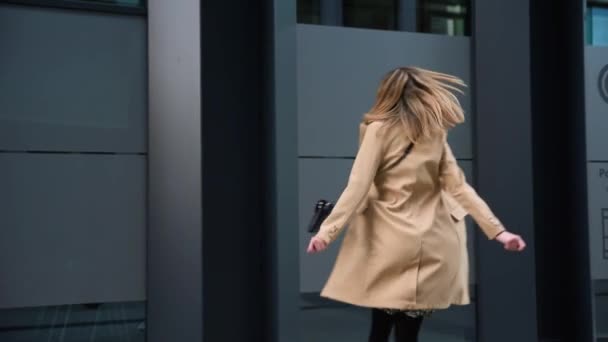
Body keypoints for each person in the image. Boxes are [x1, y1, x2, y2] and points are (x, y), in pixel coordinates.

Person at [306, 66, 526, 342]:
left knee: (381, 325)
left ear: (388, 94)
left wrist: (327, 232)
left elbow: (358, 186)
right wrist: (499, 232)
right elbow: (459, 187)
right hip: (433, 241)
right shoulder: (433, 134)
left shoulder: (378, 130)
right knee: (410, 329)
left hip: (391, 238)